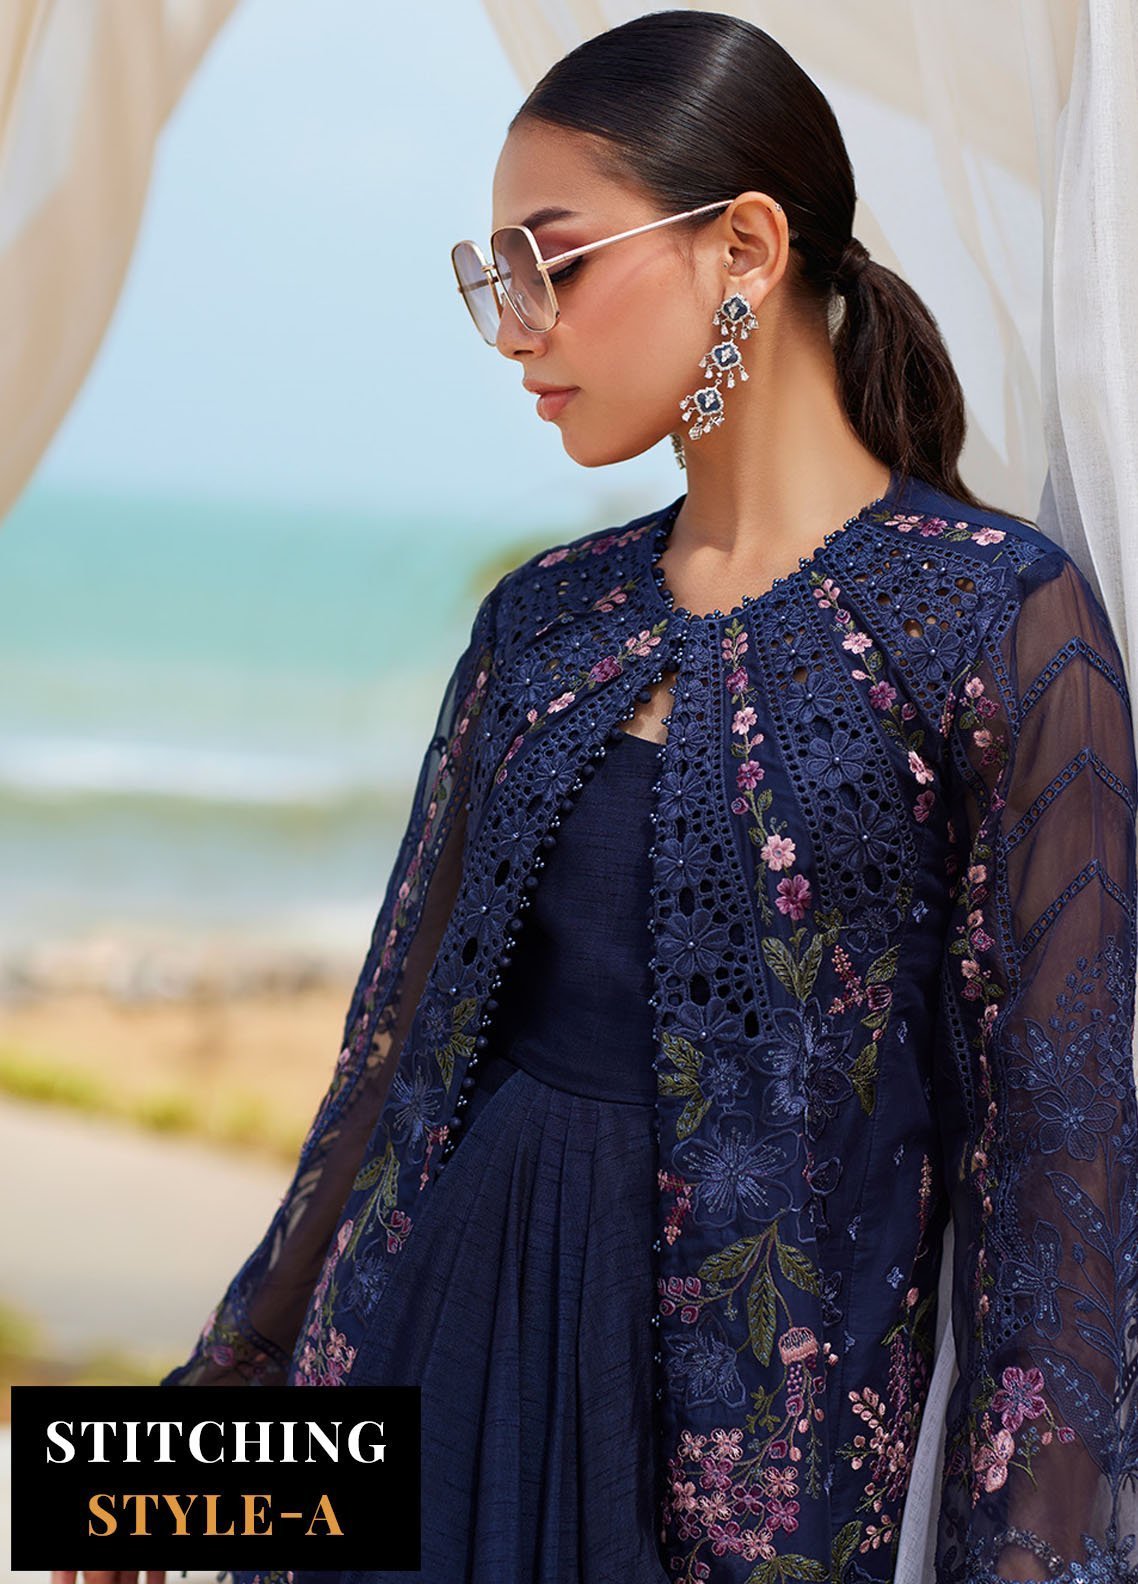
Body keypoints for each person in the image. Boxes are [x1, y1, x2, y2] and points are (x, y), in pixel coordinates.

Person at [54, 10, 1138, 1584]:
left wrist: (1028, 1564)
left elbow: (1055, 1175)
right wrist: (162, 1471)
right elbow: (387, 1072)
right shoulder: (543, 621)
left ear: (743, 247)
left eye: (551, 263)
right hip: (421, 1372)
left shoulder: (992, 621)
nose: (515, 329)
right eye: (489, 278)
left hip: (748, 1487)